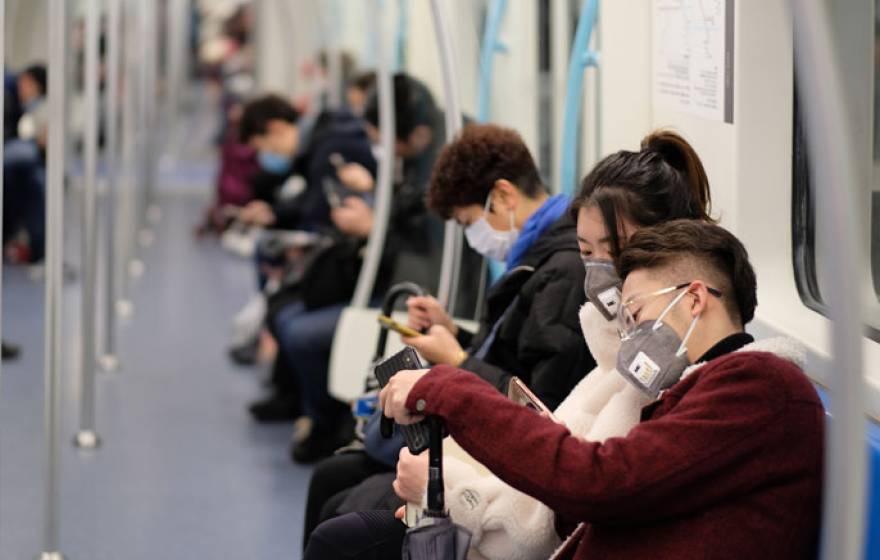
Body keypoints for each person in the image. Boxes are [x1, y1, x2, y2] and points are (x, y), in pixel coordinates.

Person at [349, 219, 823, 560]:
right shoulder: (693, 390)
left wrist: (449, 388)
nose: (633, 333)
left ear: (695, 298)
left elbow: (598, 481)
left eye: (636, 313)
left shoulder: (759, 388)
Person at [301, 123, 594, 548]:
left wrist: (456, 361)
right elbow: (516, 349)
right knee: (333, 480)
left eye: (468, 221)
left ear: (505, 196)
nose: (474, 237)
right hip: (480, 429)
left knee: (338, 517)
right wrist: (454, 332)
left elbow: (540, 404)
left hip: (501, 461)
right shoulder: (537, 258)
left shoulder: (561, 274)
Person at [3, 64, 48, 263]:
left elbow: (42, 142)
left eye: (26, 83)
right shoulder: (21, 108)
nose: (21, 86)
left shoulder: (41, 109)